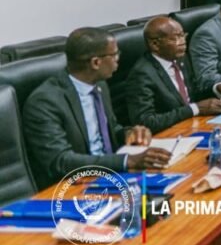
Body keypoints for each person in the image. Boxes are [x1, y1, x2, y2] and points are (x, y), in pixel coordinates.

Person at [23, 27, 171, 188]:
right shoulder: (45, 102)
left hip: (112, 175)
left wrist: (129, 133)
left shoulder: (99, 85)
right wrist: (127, 161)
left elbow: (110, 128)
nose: (118, 59)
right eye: (115, 54)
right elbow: (60, 161)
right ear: (96, 62)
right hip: (76, 186)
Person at [127, 17, 221, 133]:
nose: (183, 42)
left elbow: (194, 93)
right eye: (176, 38)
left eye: (183, 35)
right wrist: (195, 108)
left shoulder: (180, 58)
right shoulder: (142, 74)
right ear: (155, 44)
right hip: (169, 134)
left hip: (193, 125)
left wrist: (217, 88)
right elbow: (145, 122)